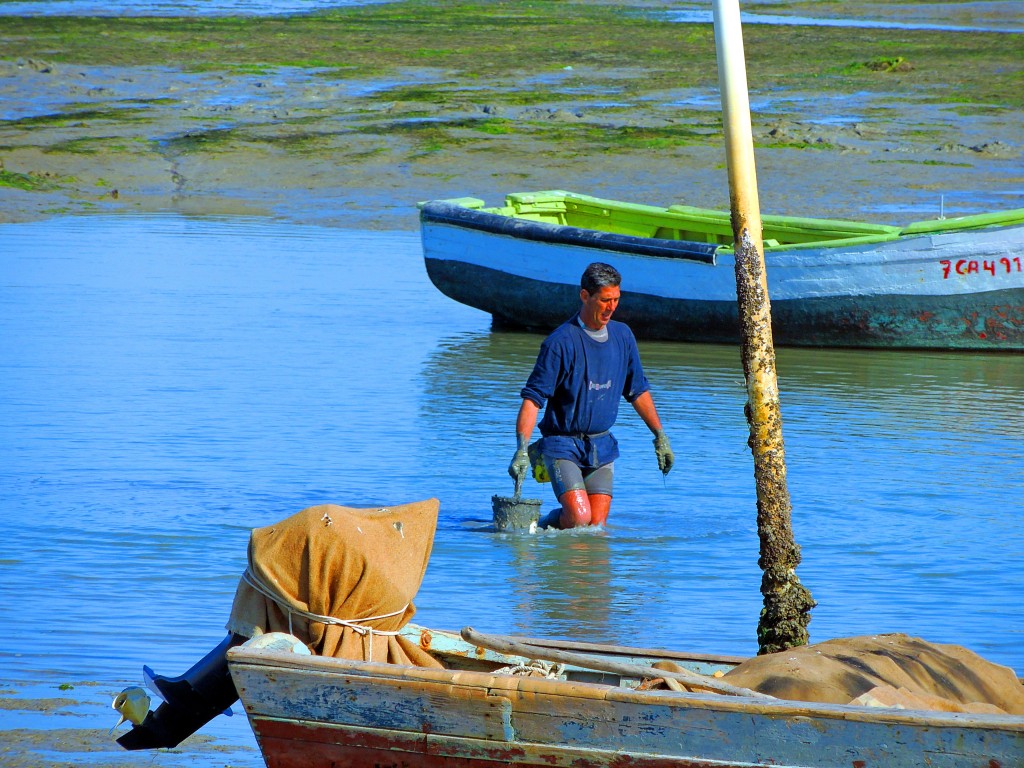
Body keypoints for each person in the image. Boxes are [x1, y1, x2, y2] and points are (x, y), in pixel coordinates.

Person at [509, 262, 673, 529]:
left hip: (601, 446)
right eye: (605, 300)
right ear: (585, 296)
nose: (611, 307)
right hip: (562, 445)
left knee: (596, 525)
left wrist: (660, 437)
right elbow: (533, 399)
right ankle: (536, 525)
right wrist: (521, 451)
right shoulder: (560, 343)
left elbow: (638, 391)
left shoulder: (623, 336)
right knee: (579, 518)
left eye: (616, 300)